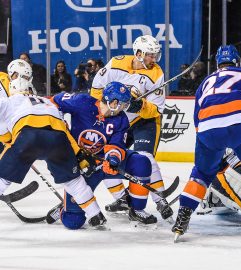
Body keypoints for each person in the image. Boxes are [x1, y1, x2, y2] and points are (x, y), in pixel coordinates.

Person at [172, 45, 241, 249]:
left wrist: (210, 149)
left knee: (201, 173)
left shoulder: (205, 82)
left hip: (208, 129)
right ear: (237, 62)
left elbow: (197, 121)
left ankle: (181, 220)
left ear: (217, 64)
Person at [0, 59, 106, 227]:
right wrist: (78, 153)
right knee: (73, 181)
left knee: (3, 177)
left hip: (29, 137)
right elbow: (65, 131)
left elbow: (4, 133)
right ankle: (96, 214)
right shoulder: (48, 102)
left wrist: (9, 141)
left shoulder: (10, 102)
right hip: (58, 140)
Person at [51, 82, 158, 228]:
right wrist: (58, 122)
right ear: (113, 102)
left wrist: (113, 159)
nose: (124, 108)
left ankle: (137, 210)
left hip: (102, 161)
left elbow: (117, 144)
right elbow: (54, 101)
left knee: (142, 163)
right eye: (122, 104)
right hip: (82, 164)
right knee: (73, 222)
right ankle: (65, 206)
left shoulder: (121, 119)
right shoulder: (82, 102)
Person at [90, 35, 173, 221]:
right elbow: (95, 91)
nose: (154, 59)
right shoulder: (115, 64)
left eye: (156, 55)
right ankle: (122, 198)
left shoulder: (156, 73)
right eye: (151, 55)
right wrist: (113, 104)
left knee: (146, 158)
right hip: (118, 120)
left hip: (145, 121)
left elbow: (156, 109)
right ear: (138, 53)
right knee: (106, 159)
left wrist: (137, 105)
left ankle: (160, 199)